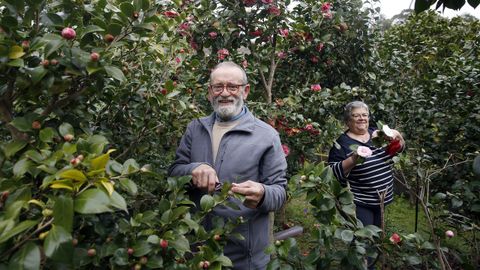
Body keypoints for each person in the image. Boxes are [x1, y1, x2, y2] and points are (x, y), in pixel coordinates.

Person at [168, 61, 288, 270]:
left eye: (232, 87)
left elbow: (279, 192)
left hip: (244, 257)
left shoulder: (266, 135)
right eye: (218, 87)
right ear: (209, 92)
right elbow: (173, 174)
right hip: (197, 252)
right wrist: (192, 169)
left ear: (245, 91)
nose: (225, 93)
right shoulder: (195, 129)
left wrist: (263, 194)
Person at [328, 101, 405, 269]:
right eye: (356, 116)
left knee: (377, 240)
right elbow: (332, 172)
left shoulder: (378, 136)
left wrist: (398, 137)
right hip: (362, 202)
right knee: (363, 242)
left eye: (364, 115)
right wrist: (354, 158)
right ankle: (362, 266)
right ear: (348, 121)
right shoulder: (342, 143)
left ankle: (369, 265)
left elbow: (397, 151)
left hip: (383, 199)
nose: (361, 118)